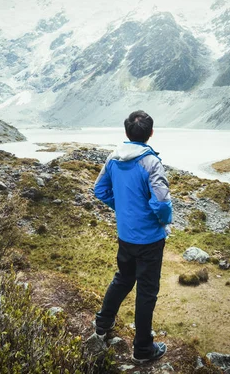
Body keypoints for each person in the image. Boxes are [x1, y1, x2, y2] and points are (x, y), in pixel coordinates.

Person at [93, 110, 173, 363]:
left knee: (123, 278)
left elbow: (99, 189)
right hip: (150, 239)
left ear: (126, 132)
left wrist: (123, 209)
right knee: (146, 293)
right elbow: (161, 203)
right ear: (150, 133)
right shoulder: (151, 163)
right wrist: (163, 221)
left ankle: (102, 324)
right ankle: (142, 350)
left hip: (126, 236)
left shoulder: (113, 159)